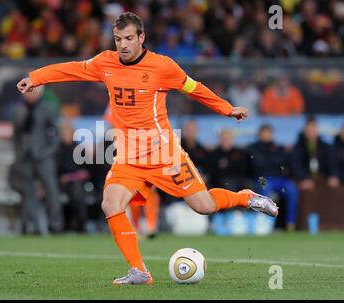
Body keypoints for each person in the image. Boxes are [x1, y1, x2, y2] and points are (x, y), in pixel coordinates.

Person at [17, 12, 278, 285]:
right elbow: (72, 69)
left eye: (129, 38)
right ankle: (139, 271)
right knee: (111, 202)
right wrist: (36, 78)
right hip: (129, 157)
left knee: (204, 206)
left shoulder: (162, 67)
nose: (123, 45)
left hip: (163, 153)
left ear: (142, 38)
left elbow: (194, 88)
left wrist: (227, 109)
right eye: (118, 39)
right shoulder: (105, 62)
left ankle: (245, 197)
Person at [12, 85, 64, 234]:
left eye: (33, 91)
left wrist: (49, 151)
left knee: (51, 190)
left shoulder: (48, 108)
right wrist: (18, 153)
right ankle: (31, 225)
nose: (30, 94)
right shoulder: (19, 111)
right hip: (25, 156)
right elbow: (16, 135)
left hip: (43, 156)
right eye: (27, 92)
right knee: (28, 192)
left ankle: (56, 224)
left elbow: (56, 132)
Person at [248, 125, 299, 231]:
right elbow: (257, 164)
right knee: (265, 187)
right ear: (259, 134)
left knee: (292, 188)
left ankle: (291, 223)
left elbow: (284, 165)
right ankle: (266, 222)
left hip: (280, 179)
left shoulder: (279, 148)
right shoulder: (253, 148)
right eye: (264, 133)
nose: (266, 136)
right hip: (263, 178)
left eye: (268, 133)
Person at [57, 121, 90, 232]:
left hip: (78, 183)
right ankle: (62, 224)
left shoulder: (80, 149)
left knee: (77, 191)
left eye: (68, 132)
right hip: (61, 184)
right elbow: (56, 171)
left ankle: (80, 223)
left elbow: (86, 172)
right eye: (64, 132)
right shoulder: (57, 150)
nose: (66, 134)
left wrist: (70, 177)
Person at [291, 117, 340, 190]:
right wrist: (304, 178)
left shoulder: (325, 146)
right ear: (305, 131)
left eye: (313, 130)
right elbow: (296, 166)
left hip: (322, 177)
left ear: (317, 130)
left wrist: (333, 176)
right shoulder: (298, 147)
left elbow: (332, 163)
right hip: (305, 178)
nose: (311, 132)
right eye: (309, 130)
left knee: (336, 190)